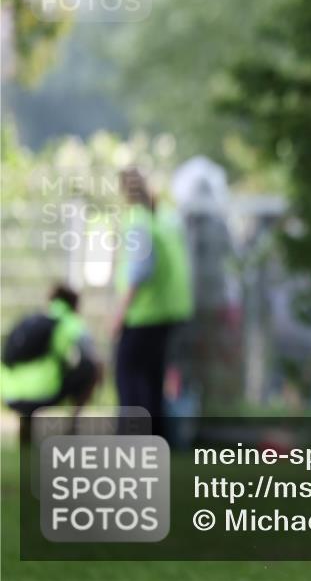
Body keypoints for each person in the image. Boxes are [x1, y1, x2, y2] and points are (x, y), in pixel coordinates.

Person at [112, 167, 194, 438]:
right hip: (170, 311)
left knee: (130, 375)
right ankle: (156, 436)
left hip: (144, 313)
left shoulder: (138, 221)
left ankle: (135, 437)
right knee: (153, 376)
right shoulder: (166, 218)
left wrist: (118, 315)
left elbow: (138, 271)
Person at [1, 284, 101, 445]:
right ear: (74, 305)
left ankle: (26, 424)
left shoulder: (31, 321)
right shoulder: (68, 323)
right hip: (42, 392)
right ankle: (72, 427)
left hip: (9, 394)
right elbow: (82, 357)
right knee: (91, 368)